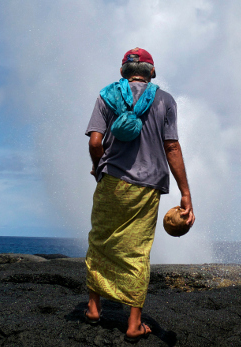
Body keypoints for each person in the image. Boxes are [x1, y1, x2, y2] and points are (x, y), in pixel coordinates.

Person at [84, 47, 195, 342]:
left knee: (101, 240)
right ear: (152, 72)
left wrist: (98, 167)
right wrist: (185, 193)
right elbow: (172, 147)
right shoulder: (165, 101)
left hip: (111, 181)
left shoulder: (106, 95)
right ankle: (133, 324)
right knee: (136, 250)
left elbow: (96, 143)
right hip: (147, 187)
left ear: (123, 71)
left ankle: (94, 308)